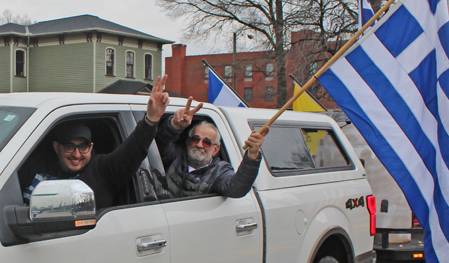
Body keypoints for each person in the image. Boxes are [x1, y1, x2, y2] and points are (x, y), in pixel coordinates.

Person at [23, 75, 170, 209]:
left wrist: (151, 120)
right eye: (69, 147)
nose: (77, 154)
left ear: (91, 147)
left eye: (83, 147)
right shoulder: (37, 164)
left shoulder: (101, 171)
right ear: (56, 147)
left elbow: (130, 152)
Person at [156, 97, 269, 198]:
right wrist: (174, 126)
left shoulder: (219, 171)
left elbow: (237, 189)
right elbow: (159, 144)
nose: (199, 145)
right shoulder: (175, 155)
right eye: (195, 139)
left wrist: (253, 154)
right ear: (187, 141)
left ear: (216, 150)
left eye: (207, 142)